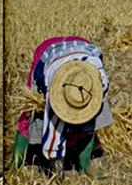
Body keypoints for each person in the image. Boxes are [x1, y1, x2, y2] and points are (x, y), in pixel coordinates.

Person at [13, 36, 113, 174]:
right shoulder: (50, 80)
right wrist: (55, 160)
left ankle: (84, 164)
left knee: (92, 118)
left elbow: (95, 107)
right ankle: (14, 165)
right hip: (48, 55)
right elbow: (52, 128)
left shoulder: (99, 80)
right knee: (33, 113)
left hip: (84, 50)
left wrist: (87, 114)